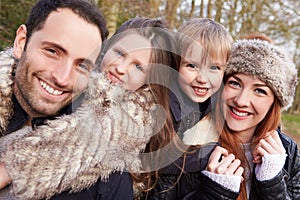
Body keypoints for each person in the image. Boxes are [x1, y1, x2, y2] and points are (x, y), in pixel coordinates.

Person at [0, 17, 179, 200]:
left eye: (138, 67)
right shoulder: (64, 87)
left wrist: (14, 167)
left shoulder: (122, 154)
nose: (121, 68)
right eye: (119, 53)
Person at [139, 18, 237, 199]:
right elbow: (160, 157)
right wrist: (208, 153)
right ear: (176, 64)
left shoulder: (215, 101)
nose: (202, 78)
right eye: (192, 65)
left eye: (214, 68)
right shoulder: (165, 101)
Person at [195, 34, 300, 199]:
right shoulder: (191, 144)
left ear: (275, 102)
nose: (241, 101)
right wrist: (214, 192)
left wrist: (272, 182)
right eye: (235, 83)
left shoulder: (288, 152)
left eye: (259, 90)